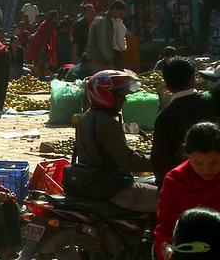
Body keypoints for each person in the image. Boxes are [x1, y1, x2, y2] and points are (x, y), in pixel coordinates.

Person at [76, 70, 158, 212]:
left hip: (92, 184)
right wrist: (160, 162)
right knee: (173, 198)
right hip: (113, 191)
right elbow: (129, 162)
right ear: (105, 95)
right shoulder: (107, 123)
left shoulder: (85, 118)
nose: (124, 99)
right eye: (120, 95)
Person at [154, 122, 220, 260]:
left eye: (214, 163)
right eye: (198, 163)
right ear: (187, 155)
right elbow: (164, 230)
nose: (206, 170)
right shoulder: (175, 180)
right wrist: (167, 250)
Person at [152, 57, 217, 189]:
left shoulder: (164, 117)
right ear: (193, 80)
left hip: (187, 188)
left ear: (168, 87)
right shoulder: (213, 104)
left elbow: (161, 162)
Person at [87, 0, 126, 72]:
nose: (121, 16)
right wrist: (109, 58)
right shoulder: (103, 21)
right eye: (120, 13)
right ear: (114, 10)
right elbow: (103, 43)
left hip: (100, 58)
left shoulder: (104, 20)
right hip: (100, 59)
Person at [29, 10, 60, 79]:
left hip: (42, 42)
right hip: (38, 43)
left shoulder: (50, 23)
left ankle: (42, 75)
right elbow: (45, 36)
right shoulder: (47, 24)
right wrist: (44, 46)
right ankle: (41, 76)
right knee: (41, 60)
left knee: (43, 59)